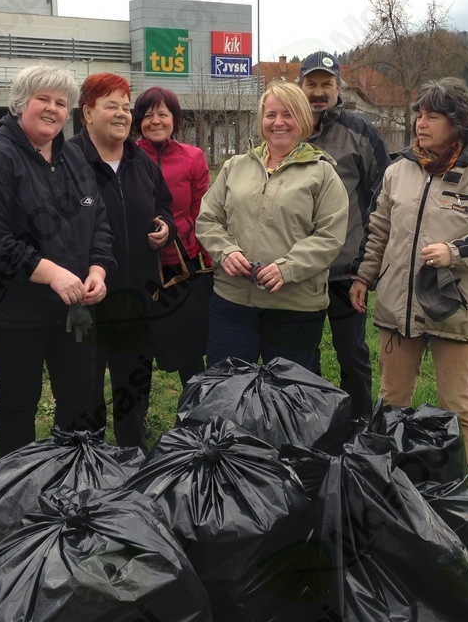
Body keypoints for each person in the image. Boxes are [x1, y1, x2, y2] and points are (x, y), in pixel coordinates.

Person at [350, 77, 468, 487]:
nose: (421, 124)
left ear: (458, 122)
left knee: (459, 406)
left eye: (432, 116)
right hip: (397, 310)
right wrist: (363, 276)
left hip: (455, 311)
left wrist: (455, 252)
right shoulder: (399, 169)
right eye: (419, 115)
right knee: (391, 402)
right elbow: (378, 230)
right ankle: (384, 484)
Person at [0, 63, 114, 458]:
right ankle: (17, 482)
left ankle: (74, 474)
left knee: (81, 399)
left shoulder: (73, 157)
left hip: (75, 308)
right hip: (16, 313)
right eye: (42, 99)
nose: (52, 109)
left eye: (60, 103)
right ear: (19, 103)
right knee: (18, 403)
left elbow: (98, 220)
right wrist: (51, 273)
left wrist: (98, 269)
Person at [196, 81, 349, 371]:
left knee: (286, 393)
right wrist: (226, 251)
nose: (278, 122)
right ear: (261, 120)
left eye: (288, 114)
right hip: (234, 303)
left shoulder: (322, 173)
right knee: (227, 388)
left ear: (302, 118)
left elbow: (330, 236)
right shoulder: (235, 167)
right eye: (271, 115)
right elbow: (208, 219)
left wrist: (287, 268)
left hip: (294, 307)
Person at [69, 73, 176, 451]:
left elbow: (164, 206)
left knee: (133, 383)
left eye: (126, 107)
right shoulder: (68, 161)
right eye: (111, 105)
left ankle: (132, 452)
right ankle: (89, 457)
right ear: (87, 113)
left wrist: (166, 227)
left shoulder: (140, 162)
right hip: (87, 297)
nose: (122, 114)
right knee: (85, 386)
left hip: (137, 296)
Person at [298, 50, 392, 418]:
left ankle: (359, 424)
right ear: (300, 87)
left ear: (339, 88)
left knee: (352, 354)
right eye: (311, 84)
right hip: (297, 269)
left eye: (327, 84)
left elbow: (384, 196)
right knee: (303, 356)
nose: (318, 92)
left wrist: (366, 266)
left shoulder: (361, 133)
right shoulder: (288, 129)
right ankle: (312, 424)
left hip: (346, 271)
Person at [134, 86, 213, 386]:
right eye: (148, 115)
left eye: (162, 114)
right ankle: (137, 409)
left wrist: (178, 234)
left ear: (175, 119)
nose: (155, 121)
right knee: (139, 348)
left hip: (180, 264)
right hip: (138, 266)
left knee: (188, 348)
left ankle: (196, 405)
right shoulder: (126, 156)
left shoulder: (192, 157)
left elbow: (201, 212)